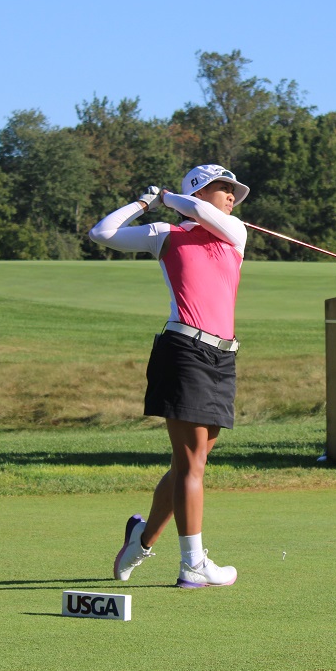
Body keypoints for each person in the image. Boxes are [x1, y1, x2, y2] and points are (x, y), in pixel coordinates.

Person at [87, 164, 249, 588]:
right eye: (223, 189)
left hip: (223, 357)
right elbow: (102, 234)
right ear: (200, 191)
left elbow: (204, 214)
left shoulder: (235, 233)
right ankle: (193, 564)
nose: (231, 197)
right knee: (192, 462)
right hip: (184, 350)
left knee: (187, 463)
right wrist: (144, 202)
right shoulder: (165, 234)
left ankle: (141, 540)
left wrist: (173, 199)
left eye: (233, 191)